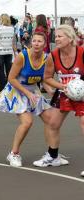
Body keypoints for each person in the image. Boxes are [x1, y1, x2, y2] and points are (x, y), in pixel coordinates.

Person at [0, 32, 52, 167]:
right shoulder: (22, 56)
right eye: (34, 41)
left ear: (45, 44)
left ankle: (51, 154)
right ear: (31, 43)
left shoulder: (47, 58)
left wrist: (51, 90)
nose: (36, 43)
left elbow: (44, 79)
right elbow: (11, 78)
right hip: (17, 90)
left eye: (39, 41)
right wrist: (27, 93)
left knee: (50, 120)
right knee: (27, 122)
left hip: (32, 90)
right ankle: (14, 153)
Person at [33, 24, 82, 169]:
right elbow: (47, 77)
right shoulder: (53, 56)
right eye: (56, 36)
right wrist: (62, 87)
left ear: (70, 38)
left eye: (60, 36)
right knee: (53, 124)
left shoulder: (82, 52)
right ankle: (53, 157)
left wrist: (79, 86)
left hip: (82, 94)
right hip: (65, 93)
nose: (57, 39)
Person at [0, 14, 17, 94]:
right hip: (9, 52)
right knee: (9, 71)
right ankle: (9, 88)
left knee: (1, 71)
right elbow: (13, 43)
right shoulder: (12, 29)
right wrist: (15, 53)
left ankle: (0, 89)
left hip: (0, 52)